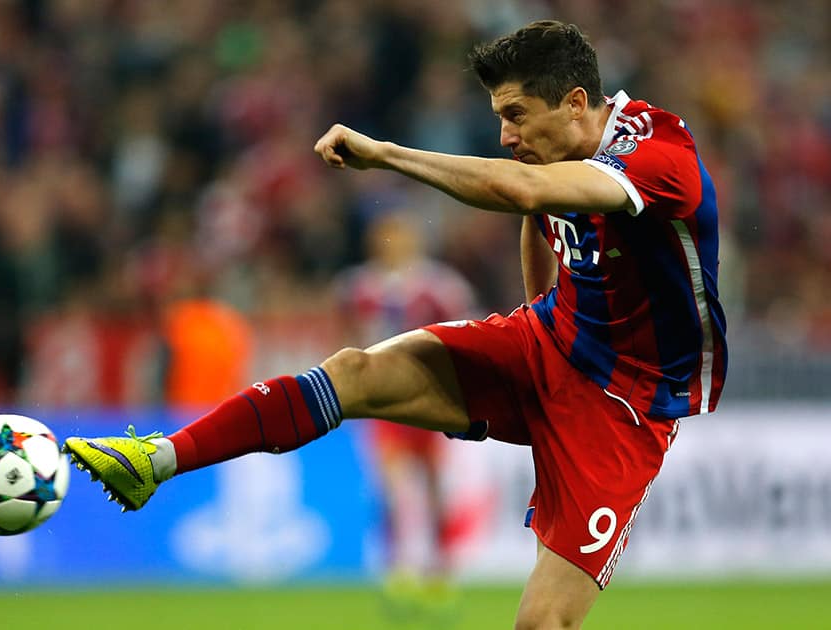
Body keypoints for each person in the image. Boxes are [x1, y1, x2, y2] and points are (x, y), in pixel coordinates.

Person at [65, 20, 727, 629]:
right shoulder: (553, 158)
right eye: (500, 118)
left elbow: (523, 193)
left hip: (622, 405)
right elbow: (538, 210)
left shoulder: (658, 158)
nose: (505, 136)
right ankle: (154, 460)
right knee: (353, 371)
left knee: (542, 624)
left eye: (516, 116)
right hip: (547, 343)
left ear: (576, 103)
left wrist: (383, 155)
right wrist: (535, 317)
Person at [333, 210, 476, 609]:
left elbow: (463, 337)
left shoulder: (440, 286)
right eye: (383, 235)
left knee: (434, 488)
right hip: (382, 404)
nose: (390, 242)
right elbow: (346, 340)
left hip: (430, 401)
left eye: (397, 234)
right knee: (391, 489)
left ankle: (440, 570)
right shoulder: (357, 287)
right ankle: (398, 569)